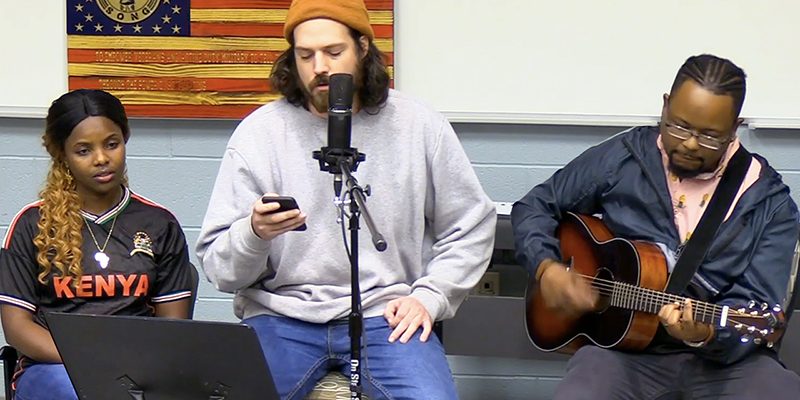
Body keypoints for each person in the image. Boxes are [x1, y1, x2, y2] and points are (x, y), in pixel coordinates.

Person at [195, 0, 497, 398]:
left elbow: (471, 225)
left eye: (333, 52)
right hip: (281, 317)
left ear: (363, 48)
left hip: (386, 315)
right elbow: (220, 270)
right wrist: (254, 233)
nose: (319, 67)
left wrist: (431, 296)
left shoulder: (419, 125)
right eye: (305, 56)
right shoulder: (258, 135)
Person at [511, 54, 800, 399]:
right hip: (622, 354)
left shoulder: (769, 202)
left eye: (709, 136)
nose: (689, 143)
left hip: (723, 365)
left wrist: (705, 333)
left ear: (734, 128)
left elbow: (759, 308)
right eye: (679, 126)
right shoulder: (625, 157)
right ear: (665, 105)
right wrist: (547, 268)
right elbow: (535, 206)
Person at [0, 89, 195, 400]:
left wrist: (128, 368)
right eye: (83, 150)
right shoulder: (31, 225)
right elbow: (17, 328)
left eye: (112, 144)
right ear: (62, 154)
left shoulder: (160, 224)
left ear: (125, 139)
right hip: (54, 368)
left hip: (138, 370)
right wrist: (93, 363)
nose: (102, 158)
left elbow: (173, 328)